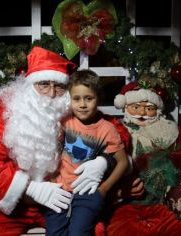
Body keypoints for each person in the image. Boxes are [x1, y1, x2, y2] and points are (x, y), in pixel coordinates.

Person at [0, 47, 109, 235]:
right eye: (44, 84)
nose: (52, 93)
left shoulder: (71, 107)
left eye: (59, 86)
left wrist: (104, 160)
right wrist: (30, 189)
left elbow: (115, 131)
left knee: (95, 231)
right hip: (13, 202)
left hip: (61, 198)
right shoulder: (5, 107)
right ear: (30, 85)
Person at [104, 81, 181, 236]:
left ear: (158, 110)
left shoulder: (172, 132)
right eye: (135, 107)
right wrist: (119, 192)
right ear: (125, 107)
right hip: (126, 203)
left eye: (149, 109)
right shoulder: (115, 132)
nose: (142, 113)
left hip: (166, 202)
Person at [45, 70, 129, 236]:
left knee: (78, 232)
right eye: (76, 99)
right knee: (54, 232)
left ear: (98, 98)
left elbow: (123, 162)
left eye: (88, 98)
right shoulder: (65, 121)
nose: (82, 104)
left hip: (88, 193)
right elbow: (52, 149)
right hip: (61, 189)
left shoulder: (107, 128)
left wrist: (104, 189)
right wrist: (53, 179)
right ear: (70, 100)